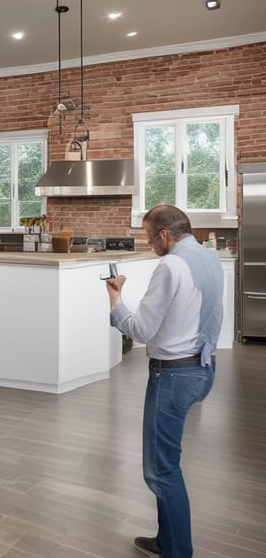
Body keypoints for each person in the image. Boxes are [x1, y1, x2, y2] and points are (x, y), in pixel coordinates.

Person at [105, 205, 222, 558]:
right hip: (203, 369)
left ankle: (177, 552)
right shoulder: (209, 257)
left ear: (165, 235)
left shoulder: (170, 265)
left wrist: (115, 297)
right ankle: (167, 541)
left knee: (161, 471)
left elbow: (140, 330)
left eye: (149, 236)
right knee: (168, 463)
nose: (149, 243)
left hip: (174, 376)